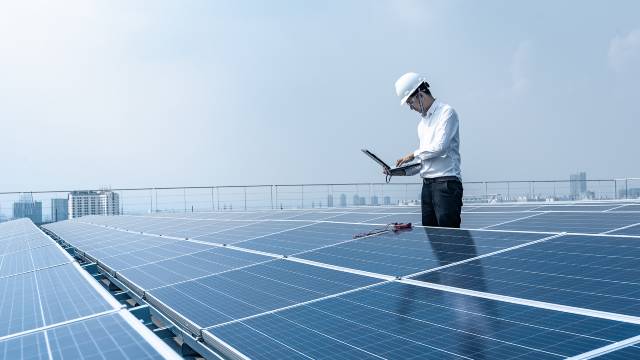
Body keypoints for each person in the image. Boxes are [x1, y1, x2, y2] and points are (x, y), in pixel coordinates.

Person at [391, 72, 463, 228]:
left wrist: (412, 154)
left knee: (449, 239)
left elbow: (440, 147)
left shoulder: (447, 113)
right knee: (433, 238)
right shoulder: (422, 124)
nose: (411, 108)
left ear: (420, 94)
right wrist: (398, 171)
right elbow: (423, 161)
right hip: (427, 188)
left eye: (411, 103)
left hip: (446, 186)